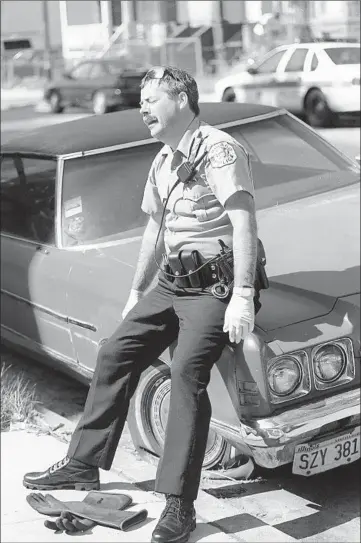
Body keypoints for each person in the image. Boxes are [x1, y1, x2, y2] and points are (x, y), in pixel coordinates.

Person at [23, 66, 260, 543]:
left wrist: (244, 295)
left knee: (185, 375)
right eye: (142, 102)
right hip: (172, 284)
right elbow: (155, 230)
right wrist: (137, 291)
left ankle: (179, 505)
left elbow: (243, 221)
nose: (142, 107)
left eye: (151, 99)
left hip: (214, 289)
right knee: (114, 353)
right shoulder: (163, 159)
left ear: (182, 99)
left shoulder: (218, 149)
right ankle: (83, 464)